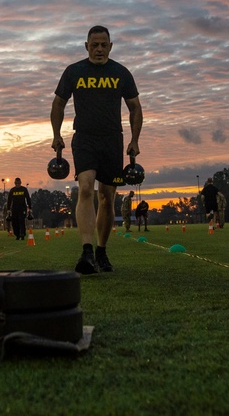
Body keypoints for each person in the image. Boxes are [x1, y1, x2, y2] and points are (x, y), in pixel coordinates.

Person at [52, 25, 143, 274]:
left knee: (106, 196)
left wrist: (134, 140)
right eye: (95, 45)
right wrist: (56, 134)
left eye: (104, 44)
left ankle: (101, 251)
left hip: (112, 140)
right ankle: (86, 251)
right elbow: (59, 102)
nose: (99, 49)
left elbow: (135, 107)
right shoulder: (74, 71)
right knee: (85, 188)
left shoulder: (121, 73)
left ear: (110, 46)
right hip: (85, 139)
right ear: (86, 46)